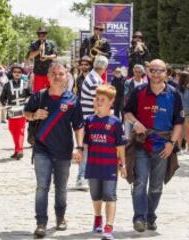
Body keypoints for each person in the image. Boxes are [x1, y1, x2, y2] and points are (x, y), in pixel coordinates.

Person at [24, 62, 84, 238]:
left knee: (61, 188)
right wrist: (34, 115)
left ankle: (60, 217)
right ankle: (41, 223)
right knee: (42, 187)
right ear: (48, 76)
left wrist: (79, 147)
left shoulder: (73, 100)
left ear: (67, 77)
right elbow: (26, 113)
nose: (57, 77)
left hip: (64, 151)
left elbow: (79, 126)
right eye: (54, 74)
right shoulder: (39, 97)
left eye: (61, 74)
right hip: (42, 149)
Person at [124, 59, 184, 232]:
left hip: (163, 146)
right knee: (140, 182)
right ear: (148, 72)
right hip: (142, 144)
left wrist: (171, 143)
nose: (157, 74)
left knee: (156, 186)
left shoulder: (174, 94)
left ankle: (150, 216)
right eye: (153, 70)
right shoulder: (138, 91)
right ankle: (139, 218)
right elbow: (127, 112)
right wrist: (135, 123)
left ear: (166, 73)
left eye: (161, 70)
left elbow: (179, 123)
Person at [83, 84, 127, 240]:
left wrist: (123, 165)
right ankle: (97, 218)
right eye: (97, 99)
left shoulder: (115, 122)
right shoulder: (89, 121)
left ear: (111, 102)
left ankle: (109, 227)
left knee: (110, 195)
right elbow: (86, 144)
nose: (99, 102)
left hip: (110, 167)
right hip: (93, 166)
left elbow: (120, 146)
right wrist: (80, 155)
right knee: (95, 195)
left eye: (103, 99)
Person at [75, 55, 109, 190]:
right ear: (104, 67)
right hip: (91, 119)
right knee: (87, 149)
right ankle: (81, 177)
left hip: (88, 118)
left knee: (89, 149)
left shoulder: (92, 77)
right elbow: (98, 102)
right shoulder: (95, 80)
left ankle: (86, 176)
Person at [0, 64, 31, 160]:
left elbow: (31, 95)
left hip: (21, 109)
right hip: (11, 110)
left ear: (22, 73)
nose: (17, 74)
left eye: (19, 72)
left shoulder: (25, 84)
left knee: (20, 130)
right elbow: (2, 98)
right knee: (13, 130)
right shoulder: (7, 84)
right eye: (15, 72)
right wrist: (5, 105)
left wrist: (27, 103)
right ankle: (17, 150)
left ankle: (20, 150)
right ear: (12, 73)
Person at [27, 27, 57, 93]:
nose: (41, 35)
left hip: (49, 73)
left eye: (43, 34)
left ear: (46, 34)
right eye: (39, 34)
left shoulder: (51, 43)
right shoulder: (34, 44)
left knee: (51, 93)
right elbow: (30, 56)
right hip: (38, 73)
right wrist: (38, 50)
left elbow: (55, 55)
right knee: (38, 93)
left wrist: (47, 57)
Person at [123, 64, 147, 139]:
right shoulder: (128, 82)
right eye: (136, 71)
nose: (137, 73)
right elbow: (126, 96)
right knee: (128, 137)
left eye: (139, 72)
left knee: (140, 137)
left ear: (142, 72)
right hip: (130, 112)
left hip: (141, 113)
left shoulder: (145, 83)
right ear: (133, 72)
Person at [178, 71, 189, 154]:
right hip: (187, 112)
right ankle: (188, 148)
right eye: (188, 77)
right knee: (187, 131)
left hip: (181, 112)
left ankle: (180, 148)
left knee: (181, 131)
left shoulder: (177, 89)